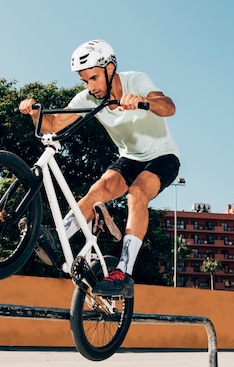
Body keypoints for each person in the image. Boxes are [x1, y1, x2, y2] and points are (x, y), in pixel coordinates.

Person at [18, 39, 180, 298]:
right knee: (98, 190)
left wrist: (141, 101)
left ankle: (124, 273)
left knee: (137, 193)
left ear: (111, 68)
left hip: (163, 157)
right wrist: (35, 112)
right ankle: (58, 240)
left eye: (93, 78)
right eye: (85, 81)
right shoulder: (88, 98)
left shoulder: (136, 81)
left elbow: (169, 107)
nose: (90, 87)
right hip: (129, 158)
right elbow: (52, 124)